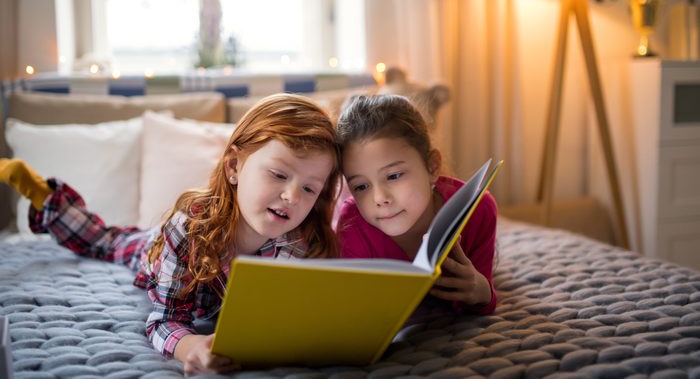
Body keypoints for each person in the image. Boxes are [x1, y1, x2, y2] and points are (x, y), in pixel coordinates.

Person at [0, 93, 341, 375]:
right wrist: (189, 345)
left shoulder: (302, 242)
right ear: (234, 167)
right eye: (279, 175)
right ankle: (44, 194)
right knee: (107, 241)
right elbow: (164, 320)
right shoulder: (188, 229)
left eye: (310, 188)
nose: (293, 197)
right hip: (155, 248)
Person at [335, 94, 497, 314]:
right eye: (361, 187)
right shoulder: (352, 224)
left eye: (393, 176)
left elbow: (483, 299)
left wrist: (481, 291)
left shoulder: (479, 209)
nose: (379, 198)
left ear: (432, 167)